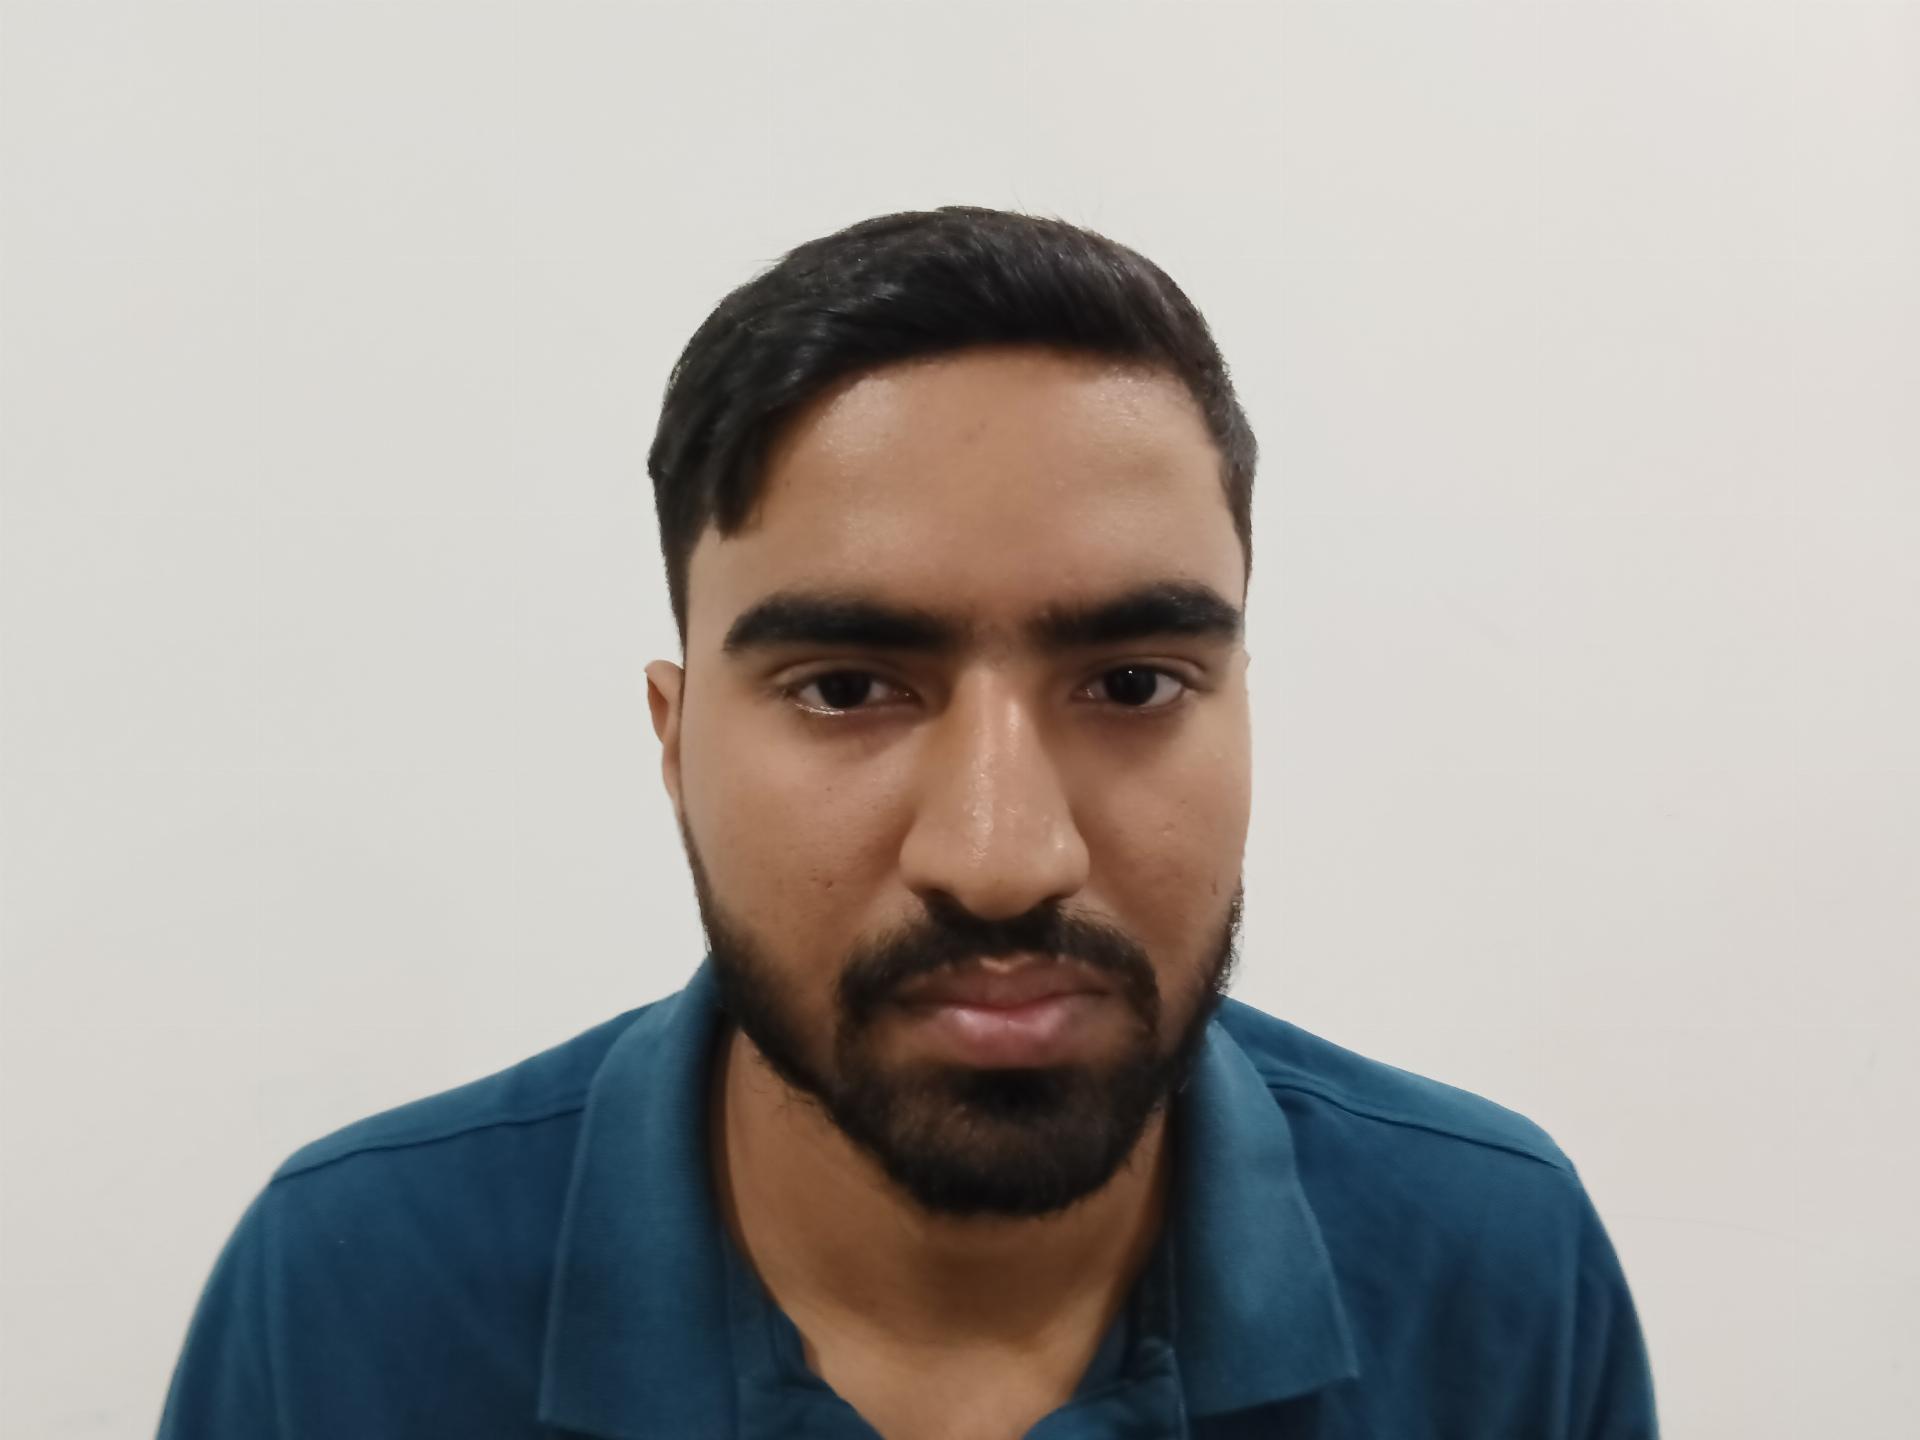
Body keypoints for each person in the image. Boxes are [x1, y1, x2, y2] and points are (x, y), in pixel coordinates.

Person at [158, 207, 1658, 1439]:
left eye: (1133, 683)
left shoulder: (1492, 1272)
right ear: (677, 744)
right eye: (847, 688)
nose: (1003, 857)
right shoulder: (354, 1292)